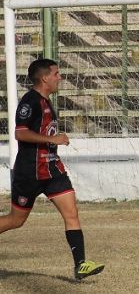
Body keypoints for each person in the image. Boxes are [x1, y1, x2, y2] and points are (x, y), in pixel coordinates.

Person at [0, 59, 104, 280]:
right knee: (16, 220)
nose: (60, 77)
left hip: (52, 169)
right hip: (30, 172)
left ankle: (81, 265)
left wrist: (53, 143)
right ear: (45, 77)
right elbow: (20, 133)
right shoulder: (30, 102)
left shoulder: (46, 102)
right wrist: (51, 138)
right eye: (57, 74)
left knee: (72, 213)